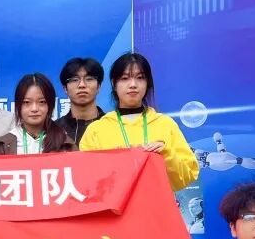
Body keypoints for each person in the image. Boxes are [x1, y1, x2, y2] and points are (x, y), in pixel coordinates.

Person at [79, 52, 198, 191]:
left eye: (140, 78)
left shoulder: (165, 124)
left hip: (155, 204)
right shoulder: (96, 130)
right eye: (125, 78)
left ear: (148, 83)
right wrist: (112, 164)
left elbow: (187, 177)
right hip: (115, 205)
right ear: (114, 83)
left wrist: (166, 154)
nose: (133, 85)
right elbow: (85, 180)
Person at [0, 74, 74, 155]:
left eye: (42, 102)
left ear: (50, 105)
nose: (34, 109)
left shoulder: (65, 143)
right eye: (26, 102)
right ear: (18, 105)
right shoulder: (4, 145)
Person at [57, 57, 105, 145]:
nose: (82, 85)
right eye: (74, 80)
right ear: (65, 89)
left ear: (99, 86)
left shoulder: (112, 126)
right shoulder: (54, 130)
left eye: (89, 79)